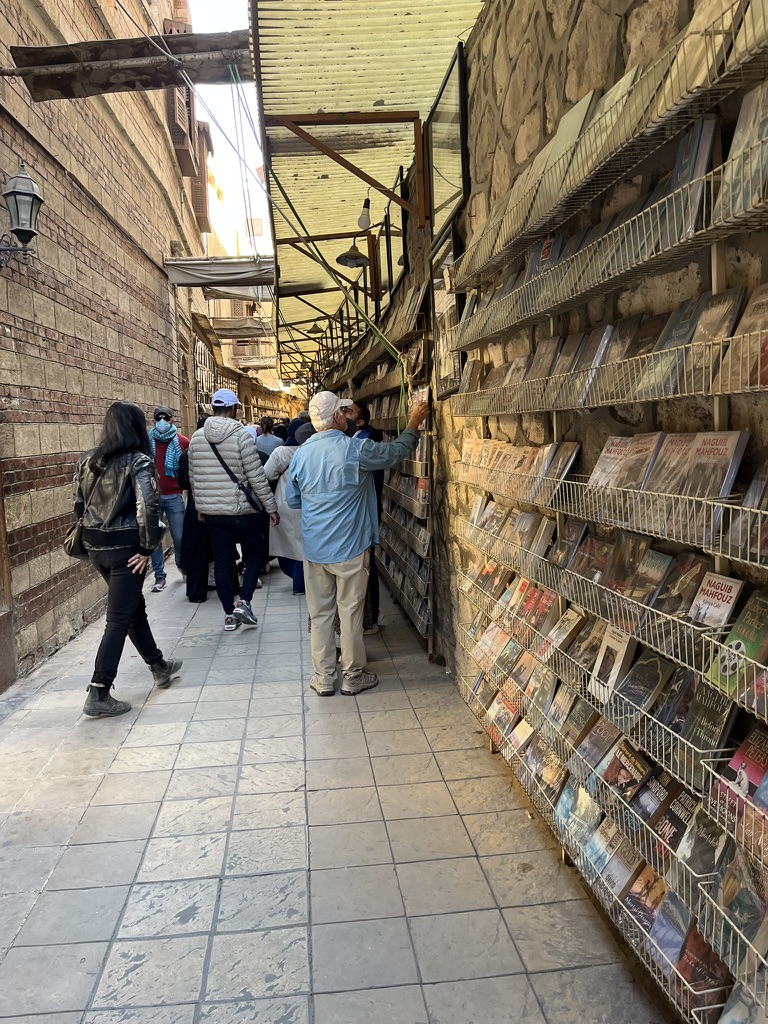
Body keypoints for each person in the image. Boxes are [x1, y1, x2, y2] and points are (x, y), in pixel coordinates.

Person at [285, 391, 429, 697]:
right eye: (344, 411)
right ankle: (352, 675)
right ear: (338, 417)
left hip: (314, 549)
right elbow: (393, 453)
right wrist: (414, 422)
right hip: (350, 545)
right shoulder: (355, 450)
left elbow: (293, 499)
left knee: (320, 614)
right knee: (350, 612)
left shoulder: (300, 454)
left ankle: (324, 677)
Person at [73, 401, 182, 717]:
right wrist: (148, 549)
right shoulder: (139, 461)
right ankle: (99, 691)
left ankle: (158, 665)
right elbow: (147, 508)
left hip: (96, 548)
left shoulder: (86, 461)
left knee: (132, 608)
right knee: (119, 619)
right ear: (136, 427)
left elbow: (78, 506)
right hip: (127, 551)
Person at [188, 388, 279, 631]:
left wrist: (200, 505)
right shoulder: (241, 436)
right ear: (234, 409)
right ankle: (245, 602)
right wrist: (271, 507)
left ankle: (229, 615)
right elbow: (256, 476)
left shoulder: (197, 437)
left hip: (213, 513)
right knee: (255, 553)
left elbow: (194, 475)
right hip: (241, 511)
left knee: (222, 560)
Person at [346, 400, 384, 633]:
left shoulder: (364, 444)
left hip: (363, 512)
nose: (343, 415)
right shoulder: (359, 440)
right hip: (362, 510)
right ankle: (368, 617)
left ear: (359, 421)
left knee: (365, 566)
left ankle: (368, 619)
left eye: (348, 412)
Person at [263, 422, 314, 595]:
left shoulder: (281, 452)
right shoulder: (312, 451)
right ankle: (302, 582)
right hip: (309, 502)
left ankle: (297, 581)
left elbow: (268, 474)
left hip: (285, 502)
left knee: (288, 544)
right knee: (304, 545)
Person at [148, 405, 189, 593]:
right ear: (154, 420)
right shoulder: (147, 442)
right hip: (153, 497)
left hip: (174, 496)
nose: (162, 422)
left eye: (166, 418)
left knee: (179, 536)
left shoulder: (182, 442)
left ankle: (182, 565)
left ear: (172, 419)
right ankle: (159, 576)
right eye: (158, 418)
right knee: (154, 539)